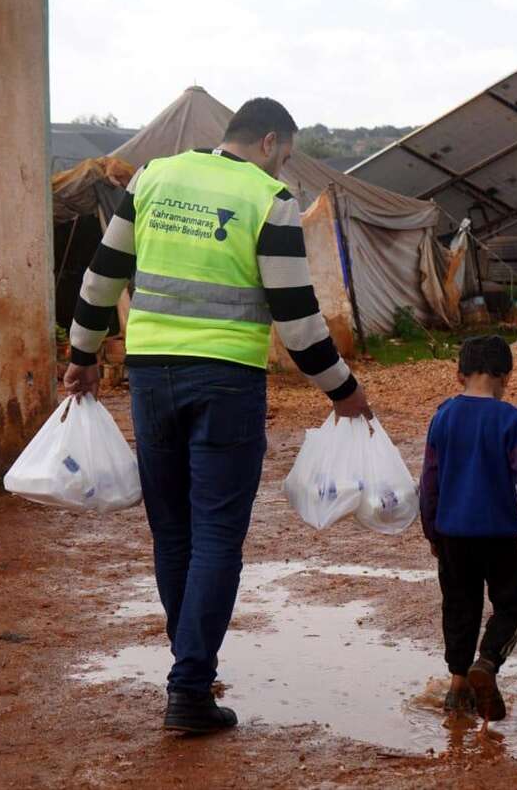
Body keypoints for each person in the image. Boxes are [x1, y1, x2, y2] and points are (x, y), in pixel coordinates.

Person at [64, 98, 371, 734]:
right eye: (284, 156)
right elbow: (296, 313)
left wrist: (83, 355)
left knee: (173, 532)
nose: (284, 169)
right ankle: (190, 686)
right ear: (268, 143)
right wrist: (342, 389)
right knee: (215, 538)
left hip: (150, 375)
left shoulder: (153, 177)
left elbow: (100, 279)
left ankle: (190, 675)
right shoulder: (267, 197)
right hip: (227, 380)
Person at [419, 335, 517, 721]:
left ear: (459, 375)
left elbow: (429, 480)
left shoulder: (443, 417)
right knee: (513, 608)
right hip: (497, 536)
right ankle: (486, 664)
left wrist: (432, 531)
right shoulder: (511, 420)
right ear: (506, 377)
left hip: (452, 534)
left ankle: (456, 689)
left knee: (459, 606)